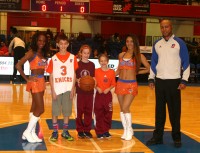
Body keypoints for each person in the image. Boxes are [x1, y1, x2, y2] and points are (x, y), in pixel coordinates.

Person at [146, 19, 190, 148]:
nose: (164, 29)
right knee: (159, 112)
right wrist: (151, 78)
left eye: (166, 27)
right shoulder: (157, 44)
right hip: (160, 82)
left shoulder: (179, 43)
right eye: (162, 27)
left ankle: (176, 138)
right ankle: (157, 137)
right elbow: (154, 63)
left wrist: (184, 80)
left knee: (175, 112)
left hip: (174, 82)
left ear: (171, 27)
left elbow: (186, 62)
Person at [115, 34, 150, 141]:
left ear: (135, 43)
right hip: (120, 83)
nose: (129, 43)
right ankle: (125, 130)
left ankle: (129, 129)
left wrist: (136, 72)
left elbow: (148, 69)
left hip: (131, 84)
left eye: (131, 41)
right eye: (127, 41)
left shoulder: (139, 56)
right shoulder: (121, 55)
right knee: (122, 108)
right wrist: (107, 74)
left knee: (125, 107)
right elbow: (118, 70)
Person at [16, 31, 49, 143]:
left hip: (41, 80)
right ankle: (27, 131)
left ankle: (32, 132)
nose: (42, 43)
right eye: (40, 40)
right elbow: (18, 65)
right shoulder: (32, 52)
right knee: (40, 109)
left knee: (35, 108)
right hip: (34, 82)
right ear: (36, 40)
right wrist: (27, 79)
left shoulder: (43, 53)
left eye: (44, 41)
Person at [46, 34, 78, 141]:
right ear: (57, 45)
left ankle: (65, 131)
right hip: (57, 88)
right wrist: (52, 91)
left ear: (68, 44)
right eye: (61, 44)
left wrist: (73, 88)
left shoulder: (73, 58)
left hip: (68, 88)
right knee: (55, 112)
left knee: (67, 112)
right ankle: (55, 132)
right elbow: (51, 76)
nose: (63, 46)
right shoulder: (53, 59)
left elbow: (74, 74)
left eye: (65, 44)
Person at [75, 44, 95, 139]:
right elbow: (74, 77)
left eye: (88, 53)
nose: (86, 55)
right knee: (79, 112)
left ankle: (87, 130)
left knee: (88, 112)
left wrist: (92, 82)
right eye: (84, 53)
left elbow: (94, 77)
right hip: (79, 92)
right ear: (81, 53)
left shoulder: (92, 64)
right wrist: (77, 80)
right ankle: (79, 130)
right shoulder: (77, 64)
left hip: (90, 93)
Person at [94, 54, 116, 139]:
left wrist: (108, 88)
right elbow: (93, 82)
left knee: (108, 113)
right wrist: (97, 87)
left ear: (108, 61)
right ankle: (99, 131)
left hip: (108, 95)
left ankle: (106, 131)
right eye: (101, 61)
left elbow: (113, 83)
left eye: (105, 61)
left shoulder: (111, 72)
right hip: (99, 95)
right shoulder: (96, 71)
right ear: (99, 62)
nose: (103, 62)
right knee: (99, 113)